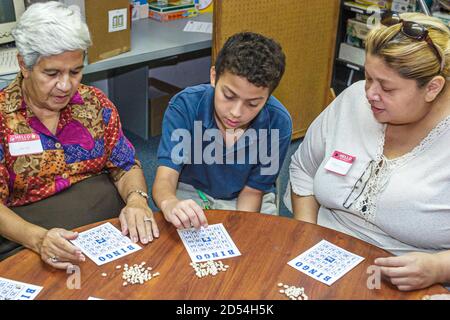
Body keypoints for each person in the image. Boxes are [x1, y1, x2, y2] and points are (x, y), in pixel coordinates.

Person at [284, 12, 450, 291]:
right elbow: (303, 168)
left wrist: (438, 268)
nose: (370, 93)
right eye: (367, 77)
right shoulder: (354, 100)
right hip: (319, 257)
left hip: (405, 284)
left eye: (386, 87)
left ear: (432, 88)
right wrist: (306, 234)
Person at [0, 1, 159, 268]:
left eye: (75, 71)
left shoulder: (95, 103)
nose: (66, 85)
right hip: (30, 238)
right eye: (52, 73)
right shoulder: (4, 118)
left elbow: (125, 165)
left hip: (108, 231)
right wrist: (38, 239)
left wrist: (137, 200)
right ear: (24, 65)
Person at [152, 32, 292, 229]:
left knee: (256, 246)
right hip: (192, 193)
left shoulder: (278, 123)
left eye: (252, 104)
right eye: (228, 95)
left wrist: (238, 228)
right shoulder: (186, 106)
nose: (235, 113)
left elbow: (252, 192)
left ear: (267, 97)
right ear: (213, 76)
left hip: (247, 198)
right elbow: (165, 177)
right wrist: (170, 202)